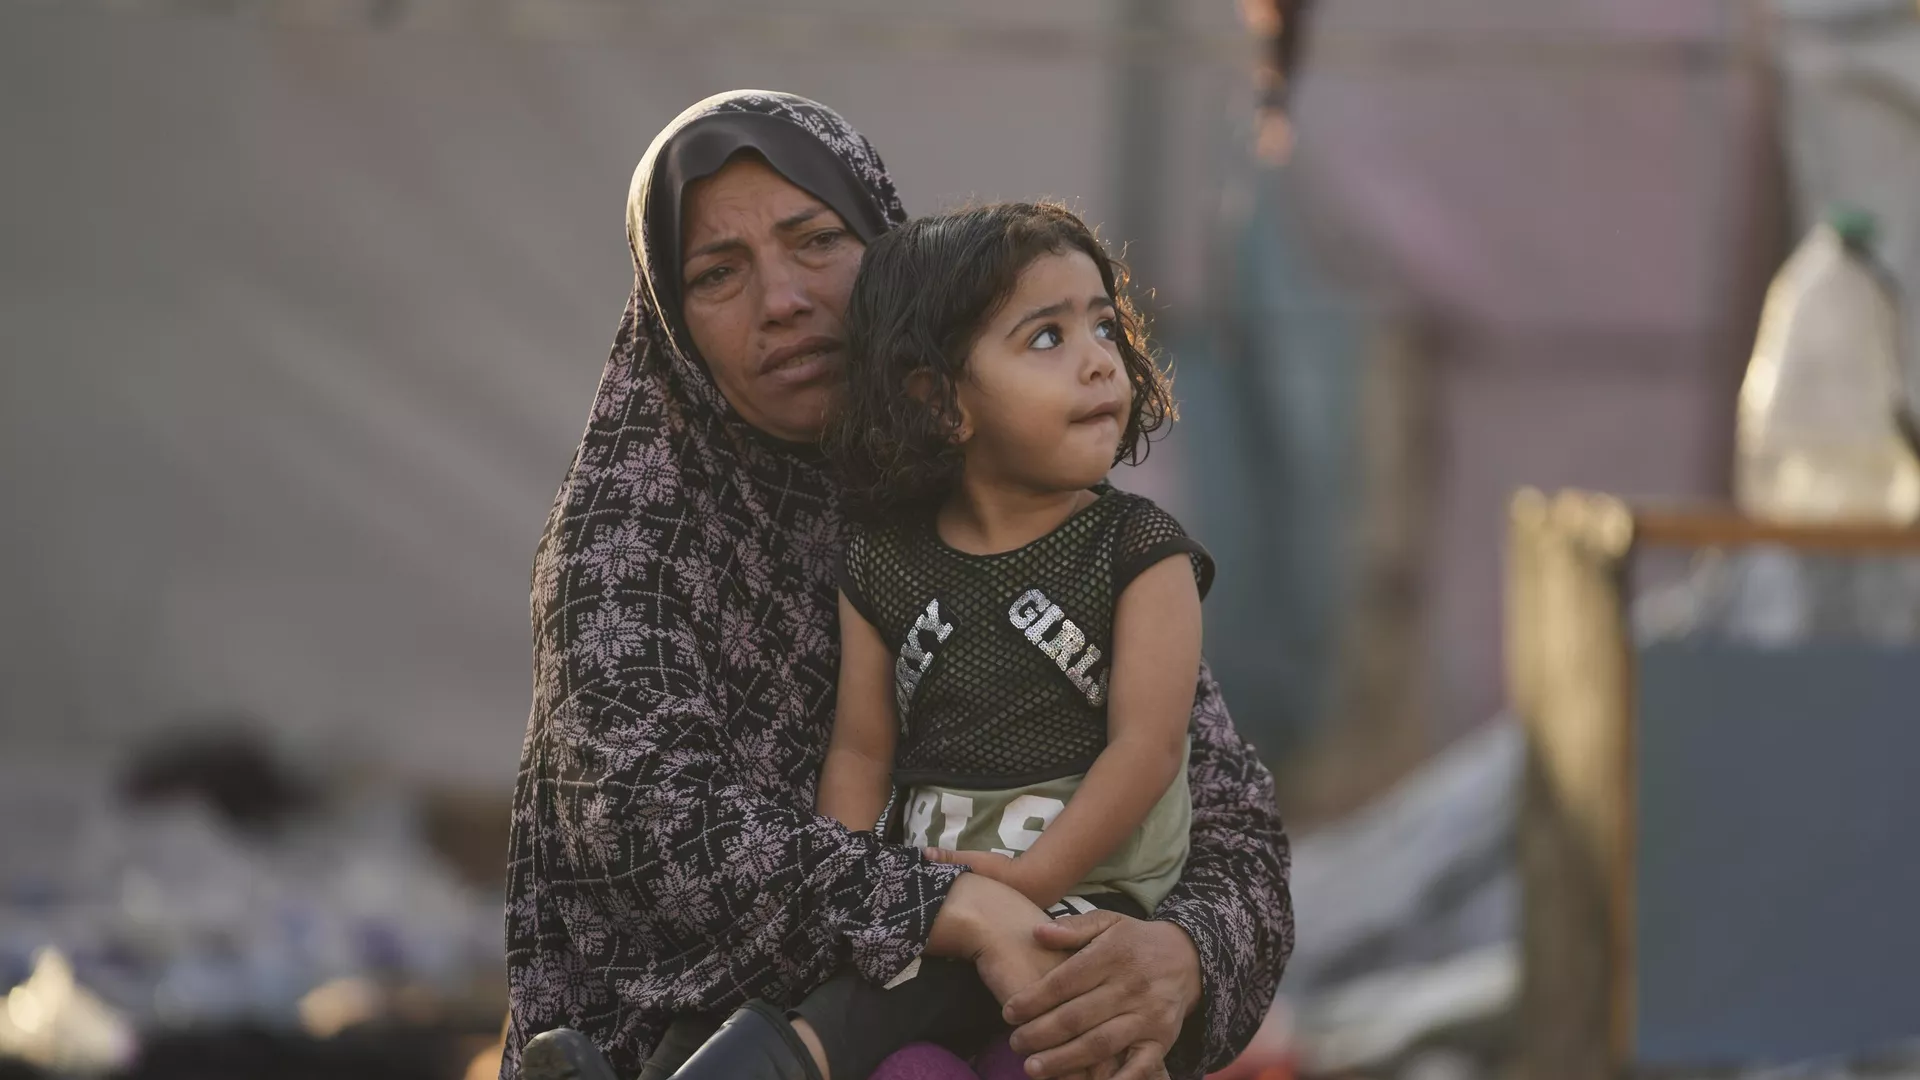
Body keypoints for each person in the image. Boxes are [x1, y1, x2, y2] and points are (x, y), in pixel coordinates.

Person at [504, 91, 1292, 1080]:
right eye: (718, 273)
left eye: (817, 242)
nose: (782, 298)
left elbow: (1225, 813)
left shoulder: (1019, 497)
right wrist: (948, 908)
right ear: (671, 317)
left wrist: (1183, 957)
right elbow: (646, 826)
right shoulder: (630, 538)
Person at [771, 200, 1213, 1080]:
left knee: (1040, 1055)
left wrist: (1025, 889)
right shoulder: (886, 564)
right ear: (940, 402)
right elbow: (862, 755)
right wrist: (847, 903)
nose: (1098, 361)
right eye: (1046, 338)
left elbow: (1149, 746)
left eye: (1103, 326)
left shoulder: (1137, 552)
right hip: (937, 903)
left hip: (1086, 907)